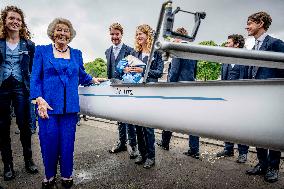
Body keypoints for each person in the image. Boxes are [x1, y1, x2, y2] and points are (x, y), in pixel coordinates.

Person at [30, 17, 103, 188]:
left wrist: (94, 80)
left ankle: (66, 175)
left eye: (66, 30)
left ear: (70, 35)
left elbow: (82, 76)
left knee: (67, 144)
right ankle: (49, 176)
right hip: (47, 107)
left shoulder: (77, 53)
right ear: (53, 33)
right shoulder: (42, 51)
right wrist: (38, 99)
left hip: (70, 108)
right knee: (48, 142)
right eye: (59, 29)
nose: (62, 33)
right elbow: (35, 79)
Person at [245, 11, 284, 183]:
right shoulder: (253, 48)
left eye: (250, 23)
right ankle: (262, 163)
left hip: (271, 97)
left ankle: (273, 168)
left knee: (271, 131)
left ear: (260, 23)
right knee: (257, 131)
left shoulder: (276, 44)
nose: (247, 26)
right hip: (255, 97)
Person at [0, 5, 38, 181]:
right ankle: (8, 165)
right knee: (3, 127)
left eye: (18, 19)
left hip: (21, 88)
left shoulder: (29, 45)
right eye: (11, 18)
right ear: (5, 21)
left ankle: (28, 160)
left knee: (24, 125)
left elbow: (34, 69)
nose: (15, 21)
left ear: (22, 24)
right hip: (2, 87)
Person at [121, 24, 164, 168]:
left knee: (148, 127)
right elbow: (127, 71)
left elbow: (159, 72)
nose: (139, 37)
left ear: (148, 36)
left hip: (150, 93)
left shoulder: (156, 52)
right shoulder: (135, 53)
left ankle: (151, 157)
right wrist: (127, 69)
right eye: (137, 34)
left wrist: (143, 70)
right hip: (137, 92)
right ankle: (142, 154)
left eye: (141, 34)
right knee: (138, 125)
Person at [156, 27, 200, 159]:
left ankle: (165, 143)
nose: (172, 40)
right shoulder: (193, 51)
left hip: (177, 89)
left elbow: (174, 71)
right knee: (192, 120)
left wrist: (169, 86)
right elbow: (195, 71)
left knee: (169, 116)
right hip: (190, 87)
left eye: (173, 37)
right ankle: (194, 149)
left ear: (178, 37)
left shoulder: (178, 49)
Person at [105, 23, 138, 159]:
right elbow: (109, 72)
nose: (114, 37)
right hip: (114, 88)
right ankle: (122, 142)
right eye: (112, 34)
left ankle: (133, 144)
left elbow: (133, 71)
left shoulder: (130, 50)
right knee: (119, 116)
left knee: (128, 117)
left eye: (117, 34)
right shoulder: (108, 51)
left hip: (126, 88)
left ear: (121, 34)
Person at [215, 34, 249, 163]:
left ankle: (243, 152)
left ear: (236, 44)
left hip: (241, 99)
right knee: (227, 124)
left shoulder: (246, 59)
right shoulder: (226, 59)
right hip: (227, 98)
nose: (226, 45)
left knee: (241, 126)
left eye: (228, 42)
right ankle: (228, 149)